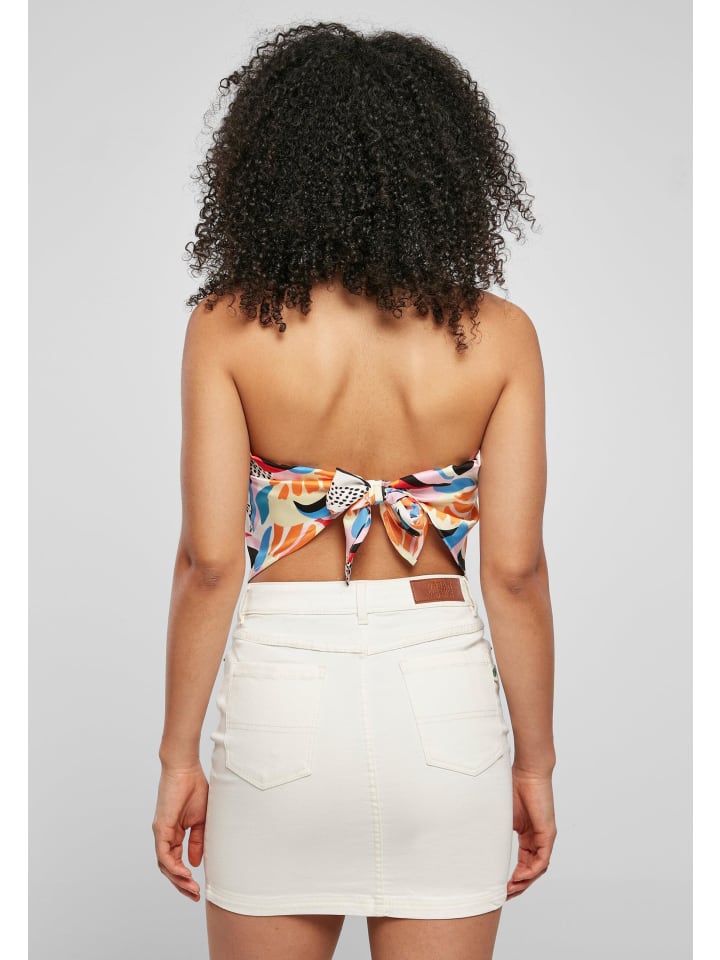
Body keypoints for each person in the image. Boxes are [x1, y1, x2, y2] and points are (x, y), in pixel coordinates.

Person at [152, 21, 557, 960]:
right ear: (447, 168)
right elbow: (516, 572)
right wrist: (535, 764)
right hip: (443, 708)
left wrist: (177, 756)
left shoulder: (227, 328)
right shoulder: (500, 336)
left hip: (281, 703)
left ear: (271, 166)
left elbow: (209, 563)